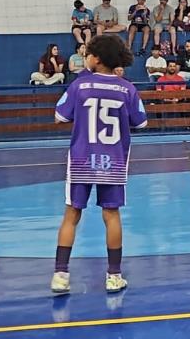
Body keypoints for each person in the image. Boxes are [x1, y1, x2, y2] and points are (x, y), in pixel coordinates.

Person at [50, 34, 147, 295]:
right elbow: (141, 122)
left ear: (96, 58)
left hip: (82, 159)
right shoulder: (127, 88)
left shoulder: (80, 85)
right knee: (111, 215)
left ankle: (60, 275)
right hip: (113, 161)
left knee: (71, 215)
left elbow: (59, 116)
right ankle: (113, 276)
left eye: (88, 53)